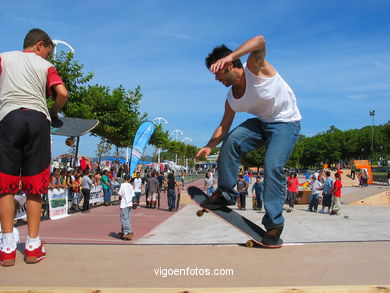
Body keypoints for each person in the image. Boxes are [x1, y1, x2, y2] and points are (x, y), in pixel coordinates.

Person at [196, 35, 301, 248]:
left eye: (219, 74)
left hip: (286, 124)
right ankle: (225, 194)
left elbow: (260, 41)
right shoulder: (231, 98)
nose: (218, 80)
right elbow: (224, 127)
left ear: (230, 65)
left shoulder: (255, 67)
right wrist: (209, 145)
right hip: (262, 124)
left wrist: (232, 54)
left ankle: (274, 224)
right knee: (232, 139)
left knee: (273, 166)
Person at [0, 29, 68, 266]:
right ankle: (32, 245)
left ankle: (7, 246)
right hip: (38, 120)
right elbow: (62, 93)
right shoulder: (44, 66)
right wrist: (55, 111)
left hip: (9, 118)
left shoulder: (3, 57)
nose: (47, 58)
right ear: (40, 45)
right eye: (47, 52)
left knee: (5, 185)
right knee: (34, 186)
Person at [118, 175, 135, 240]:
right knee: (127, 218)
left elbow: (120, 194)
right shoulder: (130, 186)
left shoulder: (122, 185)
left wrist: (121, 199)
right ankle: (123, 231)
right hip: (130, 203)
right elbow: (133, 195)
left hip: (124, 203)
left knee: (124, 218)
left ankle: (128, 232)